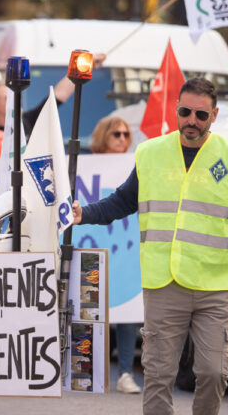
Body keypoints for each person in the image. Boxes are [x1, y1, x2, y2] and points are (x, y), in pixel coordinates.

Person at [72, 78, 228, 415]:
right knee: (157, 375)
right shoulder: (151, 153)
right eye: (185, 112)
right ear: (176, 110)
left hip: (214, 286)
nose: (191, 121)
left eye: (201, 114)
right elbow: (122, 201)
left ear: (214, 115)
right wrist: (85, 214)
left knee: (213, 372)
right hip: (164, 284)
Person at [89, 116, 141, 394]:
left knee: (128, 310)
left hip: (125, 248)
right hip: (94, 244)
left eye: (126, 134)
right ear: (103, 136)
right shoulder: (86, 166)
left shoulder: (135, 167)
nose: (122, 139)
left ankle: (125, 373)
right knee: (89, 306)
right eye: (116, 134)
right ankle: (89, 372)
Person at [0, 53, 106, 139]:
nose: (16, 101)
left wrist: (83, 66)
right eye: (8, 98)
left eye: (16, 97)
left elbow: (59, 95)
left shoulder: (27, 122)